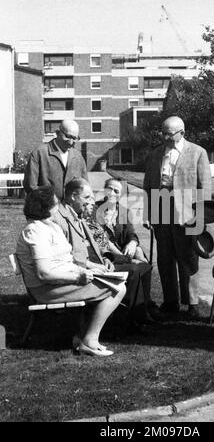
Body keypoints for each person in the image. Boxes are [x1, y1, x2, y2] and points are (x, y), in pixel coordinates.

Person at [16, 186, 126, 357]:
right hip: (46, 289)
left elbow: (65, 261)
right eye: (55, 203)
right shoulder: (35, 231)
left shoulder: (50, 226)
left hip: (60, 282)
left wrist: (90, 268)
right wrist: (77, 277)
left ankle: (83, 337)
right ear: (45, 207)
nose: (58, 206)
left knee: (116, 282)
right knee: (118, 288)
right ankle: (89, 340)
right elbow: (44, 273)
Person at [143, 116, 212, 319]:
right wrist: (148, 212)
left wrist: (202, 216)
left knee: (188, 257)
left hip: (187, 212)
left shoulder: (198, 152)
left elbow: (204, 187)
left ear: (182, 132)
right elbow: (148, 185)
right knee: (164, 257)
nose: (165, 137)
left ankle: (192, 303)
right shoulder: (155, 153)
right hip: (161, 207)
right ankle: (170, 301)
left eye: (169, 133)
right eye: (162, 132)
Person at [91, 177, 165, 322]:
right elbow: (102, 242)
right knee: (139, 264)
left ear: (121, 195)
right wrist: (127, 258)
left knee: (143, 261)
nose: (111, 193)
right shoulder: (94, 210)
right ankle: (143, 309)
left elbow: (131, 234)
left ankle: (146, 304)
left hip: (122, 252)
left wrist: (132, 243)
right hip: (106, 255)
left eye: (116, 191)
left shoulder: (123, 211)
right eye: (109, 188)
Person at [24, 119, 88, 200]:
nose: (71, 142)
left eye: (75, 138)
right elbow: (31, 186)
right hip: (47, 210)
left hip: (72, 211)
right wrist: (49, 204)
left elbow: (85, 187)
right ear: (57, 133)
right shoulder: (39, 153)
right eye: (68, 137)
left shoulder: (78, 157)